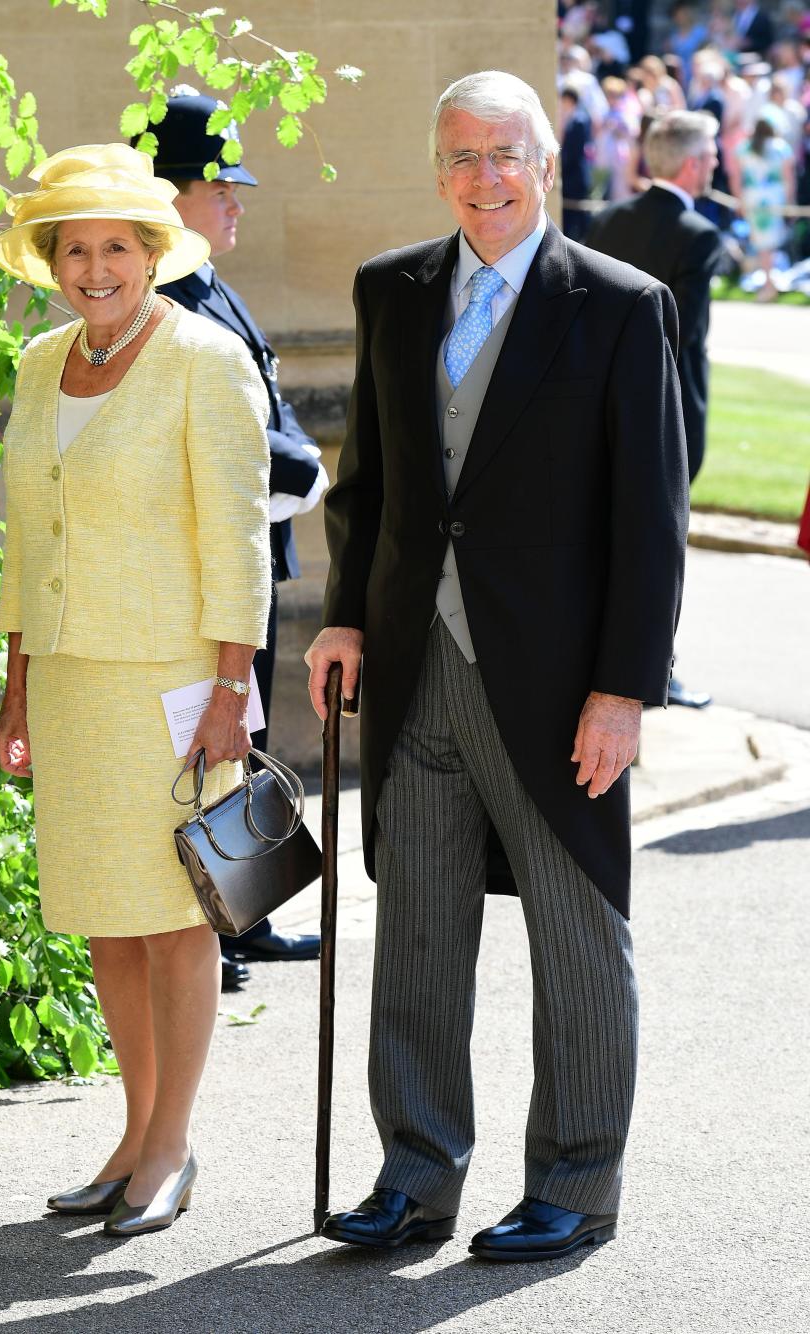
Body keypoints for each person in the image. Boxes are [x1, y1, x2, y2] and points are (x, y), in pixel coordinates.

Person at [306, 69, 688, 1261]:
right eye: (462, 157)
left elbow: (651, 517)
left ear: (547, 164)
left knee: (577, 940)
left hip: (561, 688)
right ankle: (415, 1175)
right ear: (439, 169)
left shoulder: (621, 304)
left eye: (506, 154)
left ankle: (576, 1180)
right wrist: (345, 615)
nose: (485, 179)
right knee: (417, 933)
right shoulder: (391, 290)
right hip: (418, 666)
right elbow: (366, 484)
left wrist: (624, 688)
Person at [0, 143, 272, 1236]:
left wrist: (227, 691)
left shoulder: (204, 358)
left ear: (153, 253)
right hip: (67, 679)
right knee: (108, 920)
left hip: (173, 679)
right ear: (52, 262)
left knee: (174, 917)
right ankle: (132, 1128)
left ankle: (171, 1145)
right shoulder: (41, 359)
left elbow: (239, 541)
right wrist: (17, 680)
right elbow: (27, 533)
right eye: (76, 249)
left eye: (116, 246)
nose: (95, 267)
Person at [140, 88, 326, 976]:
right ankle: (202, 930)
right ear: (173, 193)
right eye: (222, 188)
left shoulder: (209, 282)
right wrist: (297, 468)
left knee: (244, 738)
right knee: (206, 744)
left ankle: (241, 915)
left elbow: (266, 400)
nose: (237, 201)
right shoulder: (163, 297)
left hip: (256, 552)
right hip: (207, 567)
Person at [586, 111, 722, 709]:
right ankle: (654, 671)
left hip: (598, 407)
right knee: (659, 546)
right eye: (712, 154)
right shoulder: (698, 232)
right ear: (692, 163)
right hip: (669, 414)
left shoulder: (609, 219)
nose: (717, 163)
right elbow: (683, 334)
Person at [727, 115, 797, 299]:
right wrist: (789, 201)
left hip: (753, 199)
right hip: (774, 198)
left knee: (763, 244)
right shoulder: (780, 147)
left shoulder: (744, 148)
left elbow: (736, 178)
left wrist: (739, 199)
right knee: (768, 244)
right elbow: (788, 178)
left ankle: (768, 283)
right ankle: (769, 283)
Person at [559, 85, 594, 241]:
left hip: (576, 176)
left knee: (579, 218)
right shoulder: (568, 119)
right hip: (569, 176)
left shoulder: (579, 120)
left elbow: (574, 152)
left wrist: (562, 167)